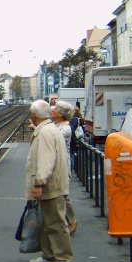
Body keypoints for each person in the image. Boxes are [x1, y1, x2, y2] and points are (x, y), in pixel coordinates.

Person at [25, 99, 73, 262]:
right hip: (53, 185)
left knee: (56, 224)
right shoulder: (48, 129)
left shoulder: (44, 133)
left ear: (34, 115)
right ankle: (49, 255)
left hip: (52, 187)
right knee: (47, 223)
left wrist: (39, 183)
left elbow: (46, 162)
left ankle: (64, 260)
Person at [51, 101, 78, 235]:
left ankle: (71, 221)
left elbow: (53, 140)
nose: (52, 110)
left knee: (63, 195)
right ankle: (64, 221)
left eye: (55, 109)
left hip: (62, 165)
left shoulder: (65, 129)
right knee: (60, 194)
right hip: (55, 164)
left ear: (61, 114)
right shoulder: (56, 125)